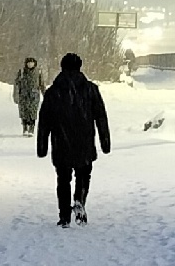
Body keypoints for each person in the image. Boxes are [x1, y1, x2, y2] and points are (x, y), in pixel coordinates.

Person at [35, 50, 111, 226]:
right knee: (83, 175)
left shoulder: (53, 92)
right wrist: (105, 142)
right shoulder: (91, 90)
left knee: (63, 179)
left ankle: (64, 216)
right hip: (84, 142)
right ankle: (79, 200)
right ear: (80, 67)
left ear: (61, 67)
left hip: (61, 143)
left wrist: (42, 147)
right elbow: (101, 117)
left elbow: (44, 121)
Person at [13, 55, 43, 135]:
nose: (30, 64)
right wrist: (15, 95)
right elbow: (16, 83)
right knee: (24, 112)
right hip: (23, 95)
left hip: (34, 96)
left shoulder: (38, 72)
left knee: (33, 112)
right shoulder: (22, 72)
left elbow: (42, 84)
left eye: (32, 63)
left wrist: (45, 95)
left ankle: (32, 128)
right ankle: (25, 127)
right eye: (29, 63)